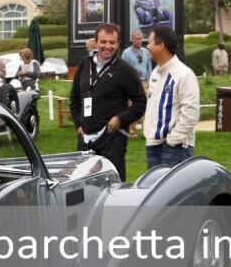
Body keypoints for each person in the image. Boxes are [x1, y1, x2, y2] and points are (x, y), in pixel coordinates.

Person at [69, 23, 146, 180]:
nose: (107, 46)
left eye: (112, 42)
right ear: (96, 42)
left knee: (112, 185)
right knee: (85, 184)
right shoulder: (85, 64)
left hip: (112, 138)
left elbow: (140, 102)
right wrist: (78, 124)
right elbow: (75, 97)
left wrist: (120, 119)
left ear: (118, 44)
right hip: (85, 138)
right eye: (103, 41)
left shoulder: (125, 70)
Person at [143, 26, 200, 168]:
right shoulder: (155, 73)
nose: (147, 46)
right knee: (154, 183)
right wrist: (149, 135)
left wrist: (172, 141)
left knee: (174, 184)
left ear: (161, 45)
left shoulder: (184, 74)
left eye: (150, 42)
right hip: (153, 146)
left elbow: (191, 113)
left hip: (175, 148)